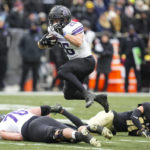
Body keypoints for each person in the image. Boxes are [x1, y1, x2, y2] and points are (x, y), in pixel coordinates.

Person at [37, 5, 109, 111]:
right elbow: (41, 45)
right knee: (68, 94)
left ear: (65, 19)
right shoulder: (52, 28)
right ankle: (99, 98)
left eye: (57, 20)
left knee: (62, 71)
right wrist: (42, 42)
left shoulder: (75, 26)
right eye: (53, 20)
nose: (55, 23)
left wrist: (63, 33)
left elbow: (78, 42)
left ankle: (87, 93)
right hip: (75, 63)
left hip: (86, 61)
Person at [0, 105, 101, 147]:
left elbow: (19, 137)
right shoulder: (18, 111)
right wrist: (48, 117)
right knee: (69, 135)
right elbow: (43, 109)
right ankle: (85, 130)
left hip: (31, 127)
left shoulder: (2, 126)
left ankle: (79, 135)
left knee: (57, 134)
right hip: (43, 119)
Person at [52, 102, 150, 138]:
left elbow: (132, 133)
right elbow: (134, 116)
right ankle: (61, 113)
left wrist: (140, 132)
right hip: (110, 117)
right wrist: (142, 128)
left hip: (112, 129)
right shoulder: (147, 106)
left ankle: (60, 114)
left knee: (82, 131)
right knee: (84, 128)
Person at [120, 25, 145, 92]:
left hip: (136, 59)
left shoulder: (138, 39)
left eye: (132, 30)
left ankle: (139, 89)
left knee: (137, 75)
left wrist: (142, 58)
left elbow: (142, 49)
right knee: (126, 75)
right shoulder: (125, 39)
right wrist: (121, 58)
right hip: (127, 59)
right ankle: (126, 89)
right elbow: (121, 50)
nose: (131, 31)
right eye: (130, 30)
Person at [19, 22, 43, 91]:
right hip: (26, 59)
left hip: (36, 59)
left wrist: (39, 55)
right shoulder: (25, 35)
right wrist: (23, 54)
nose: (33, 27)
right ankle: (21, 87)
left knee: (35, 74)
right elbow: (20, 46)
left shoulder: (39, 36)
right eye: (32, 26)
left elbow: (43, 47)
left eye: (35, 26)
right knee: (24, 74)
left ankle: (34, 88)